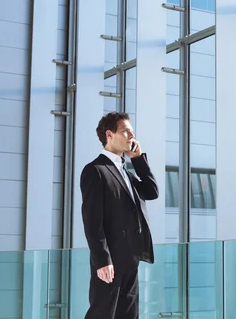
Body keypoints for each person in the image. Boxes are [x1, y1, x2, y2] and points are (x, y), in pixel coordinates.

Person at [80, 111, 158, 319]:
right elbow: (92, 220)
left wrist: (138, 159)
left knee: (128, 314)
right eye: (125, 132)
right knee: (103, 313)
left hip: (131, 257)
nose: (131, 136)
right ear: (109, 134)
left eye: (132, 132)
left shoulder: (127, 173)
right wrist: (102, 260)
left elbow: (152, 192)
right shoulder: (95, 170)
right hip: (110, 260)